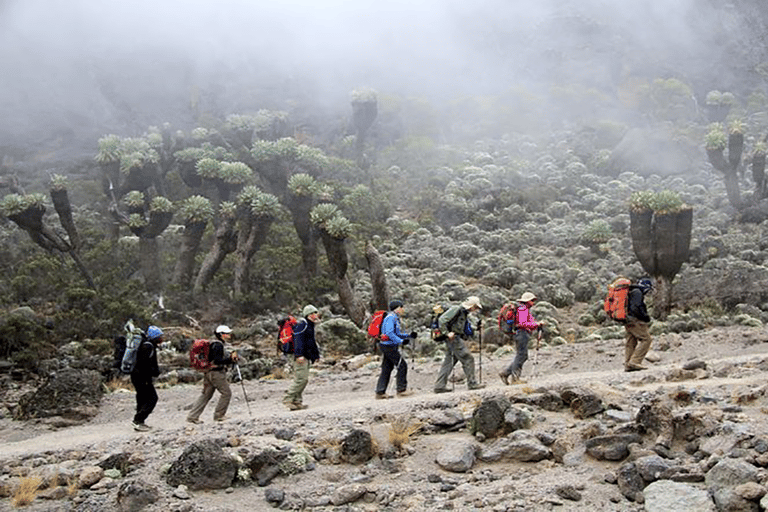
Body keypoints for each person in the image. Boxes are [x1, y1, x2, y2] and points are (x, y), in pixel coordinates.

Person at [187, 325, 239, 424]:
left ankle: (192, 416)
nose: (229, 335)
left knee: (205, 395)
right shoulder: (218, 345)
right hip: (216, 374)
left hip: (208, 372)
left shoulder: (213, 343)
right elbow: (218, 360)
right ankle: (219, 415)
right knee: (226, 393)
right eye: (227, 333)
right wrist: (230, 360)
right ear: (221, 335)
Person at [433, 296, 486, 393]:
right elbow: (442, 320)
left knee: (449, 361)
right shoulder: (456, 309)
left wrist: (476, 329)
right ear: (472, 306)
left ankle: (439, 385)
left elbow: (464, 328)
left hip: (454, 338)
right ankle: (472, 383)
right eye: (476, 307)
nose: (476, 309)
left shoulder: (463, 313)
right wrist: (446, 333)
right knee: (468, 358)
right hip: (453, 338)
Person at [499, 292, 545, 384]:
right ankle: (514, 378)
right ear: (527, 301)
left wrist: (536, 324)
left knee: (522, 355)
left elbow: (528, 322)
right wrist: (536, 324)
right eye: (532, 301)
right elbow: (523, 324)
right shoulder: (523, 309)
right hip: (521, 334)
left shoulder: (523, 309)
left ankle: (506, 373)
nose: (533, 303)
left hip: (520, 333)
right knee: (521, 355)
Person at [375, 299, 417, 399]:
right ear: (398, 308)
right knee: (402, 365)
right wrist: (401, 341)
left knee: (387, 368)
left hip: (387, 345)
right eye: (402, 307)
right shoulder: (391, 318)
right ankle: (401, 390)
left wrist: (408, 336)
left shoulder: (394, 317)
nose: (403, 309)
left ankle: (380, 392)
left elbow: (396, 333)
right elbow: (390, 333)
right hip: (388, 346)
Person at [283, 305, 321, 410]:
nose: (315, 315)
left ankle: (297, 402)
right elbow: (298, 341)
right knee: (301, 379)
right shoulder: (302, 325)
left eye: (315, 313)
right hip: (299, 356)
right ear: (307, 315)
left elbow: (311, 342)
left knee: (302, 379)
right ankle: (288, 399)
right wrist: (299, 355)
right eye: (312, 313)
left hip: (306, 356)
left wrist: (316, 355)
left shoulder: (309, 325)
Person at [131, 325, 163, 432]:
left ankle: (139, 422)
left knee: (142, 398)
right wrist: (151, 375)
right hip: (142, 377)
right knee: (152, 398)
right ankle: (138, 420)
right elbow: (144, 364)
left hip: (137, 376)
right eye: (160, 336)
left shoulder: (146, 345)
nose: (161, 339)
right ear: (155, 337)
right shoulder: (148, 347)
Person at [625, 278, 653, 372]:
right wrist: (645, 317)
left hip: (627, 320)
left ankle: (628, 364)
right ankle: (635, 361)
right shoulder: (637, 292)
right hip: (635, 320)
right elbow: (636, 307)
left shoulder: (631, 291)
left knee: (631, 342)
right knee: (646, 339)